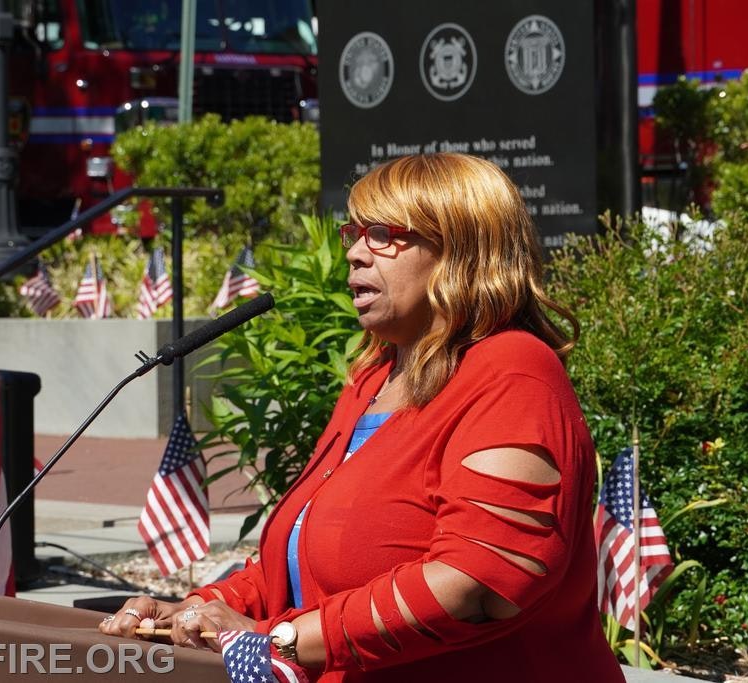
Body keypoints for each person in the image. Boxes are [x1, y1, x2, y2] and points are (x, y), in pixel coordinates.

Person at [99, 153, 626, 682]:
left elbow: (476, 583)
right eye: (355, 232)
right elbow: (296, 562)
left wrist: (282, 639)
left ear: (459, 248)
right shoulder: (373, 377)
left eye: (381, 233)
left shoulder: (512, 372)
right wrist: (197, 611)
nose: (354, 253)